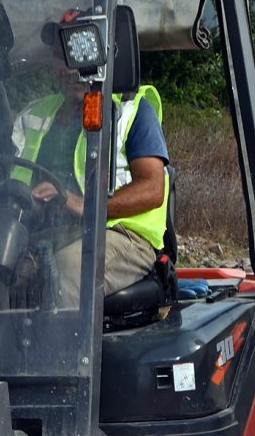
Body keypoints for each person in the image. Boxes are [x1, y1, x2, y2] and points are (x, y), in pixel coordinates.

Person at [15, 80, 172, 297]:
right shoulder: (39, 113)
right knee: (10, 264)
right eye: (62, 57)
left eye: (76, 57)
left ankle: (61, 331)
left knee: (67, 270)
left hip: (124, 234)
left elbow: (153, 188)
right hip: (65, 230)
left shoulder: (131, 109)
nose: (71, 70)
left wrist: (87, 205)